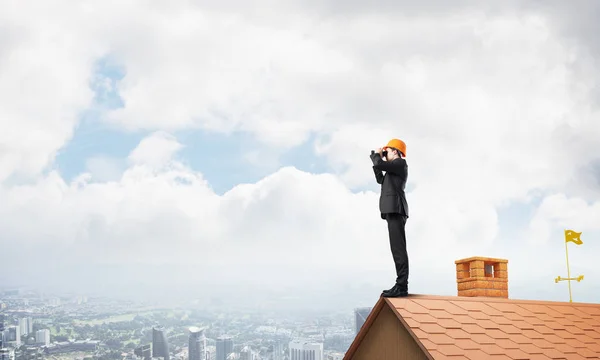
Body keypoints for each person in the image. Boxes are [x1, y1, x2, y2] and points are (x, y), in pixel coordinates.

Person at [370, 138, 409, 298]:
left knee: (398, 249)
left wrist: (377, 156)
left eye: (387, 152)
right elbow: (380, 178)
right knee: (396, 249)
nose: (385, 155)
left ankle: (401, 286)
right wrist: (376, 159)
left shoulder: (400, 163)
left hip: (396, 209)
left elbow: (380, 164)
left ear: (395, 151)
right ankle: (400, 285)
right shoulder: (391, 171)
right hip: (392, 210)